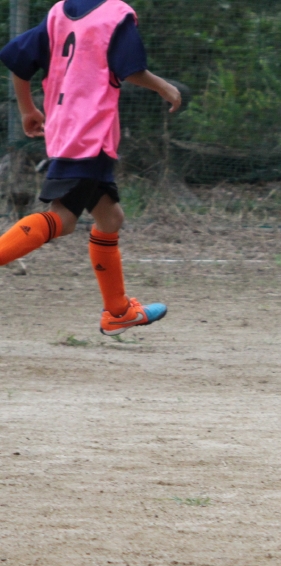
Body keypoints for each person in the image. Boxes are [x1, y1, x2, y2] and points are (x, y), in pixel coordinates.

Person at [0, 0, 180, 335]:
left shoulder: (60, 13)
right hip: (90, 133)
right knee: (63, 219)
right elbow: (131, 69)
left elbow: (17, 60)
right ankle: (117, 311)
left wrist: (27, 109)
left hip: (66, 128)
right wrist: (165, 87)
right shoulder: (115, 15)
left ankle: (118, 312)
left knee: (110, 218)